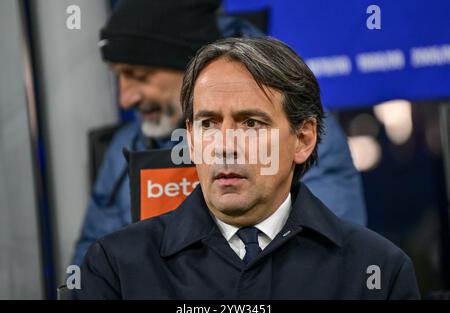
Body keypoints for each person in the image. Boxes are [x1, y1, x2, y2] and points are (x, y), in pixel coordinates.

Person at [74, 37, 419, 299]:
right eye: (208, 123)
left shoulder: (378, 271)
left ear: (303, 139)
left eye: (251, 123)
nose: (225, 146)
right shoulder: (115, 267)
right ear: (191, 140)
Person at [71, 0, 367, 267]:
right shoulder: (126, 148)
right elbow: (93, 271)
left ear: (191, 69)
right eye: (119, 76)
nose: (126, 98)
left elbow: (326, 262)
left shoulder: (293, 129)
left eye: (140, 76)